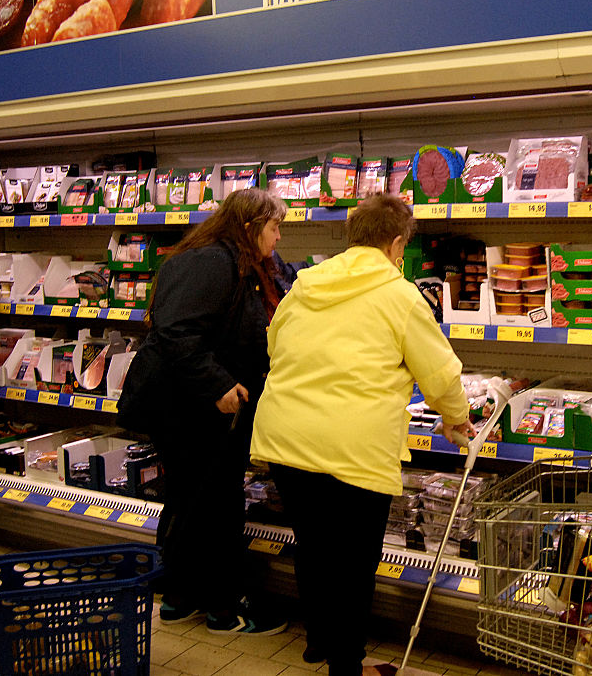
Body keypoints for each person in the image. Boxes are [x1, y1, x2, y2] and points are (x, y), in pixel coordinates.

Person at [250, 194, 472, 674]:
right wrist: (456, 418)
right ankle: (346, 666)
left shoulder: (304, 285)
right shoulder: (400, 294)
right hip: (352, 448)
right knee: (353, 565)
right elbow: (439, 373)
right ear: (395, 244)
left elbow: (274, 344)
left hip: (287, 438)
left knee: (314, 545)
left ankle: (319, 642)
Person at [117, 187, 290, 635]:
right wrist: (217, 384)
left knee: (192, 497)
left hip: (197, 403)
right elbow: (176, 331)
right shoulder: (212, 261)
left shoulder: (240, 262)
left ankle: (179, 596)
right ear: (251, 226)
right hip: (188, 406)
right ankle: (222, 607)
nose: (278, 238)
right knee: (214, 502)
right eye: (275, 227)